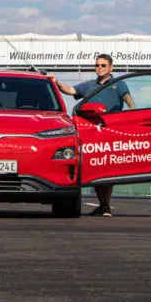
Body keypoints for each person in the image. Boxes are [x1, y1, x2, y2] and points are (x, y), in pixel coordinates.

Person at [50, 54, 135, 217]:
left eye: (103, 65)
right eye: (97, 65)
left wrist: (127, 119)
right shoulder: (89, 85)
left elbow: (130, 103)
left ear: (111, 67)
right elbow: (71, 90)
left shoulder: (119, 84)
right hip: (93, 134)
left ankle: (105, 205)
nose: (99, 68)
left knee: (108, 170)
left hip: (111, 133)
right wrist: (56, 82)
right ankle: (103, 205)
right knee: (97, 169)